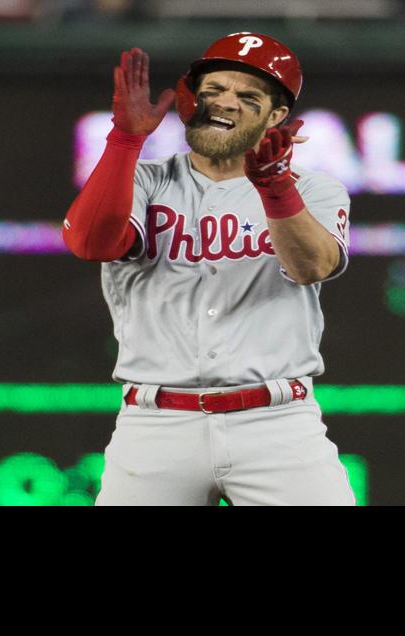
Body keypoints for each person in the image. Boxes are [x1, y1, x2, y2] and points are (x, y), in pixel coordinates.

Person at [63, 34, 355, 505]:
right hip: (156, 425)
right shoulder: (142, 179)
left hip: (277, 423)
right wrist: (125, 140)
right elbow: (90, 242)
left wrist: (274, 186)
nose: (226, 103)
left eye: (248, 97)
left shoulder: (313, 189)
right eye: (213, 90)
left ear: (275, 116)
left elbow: (311, 266)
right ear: (189, 99)